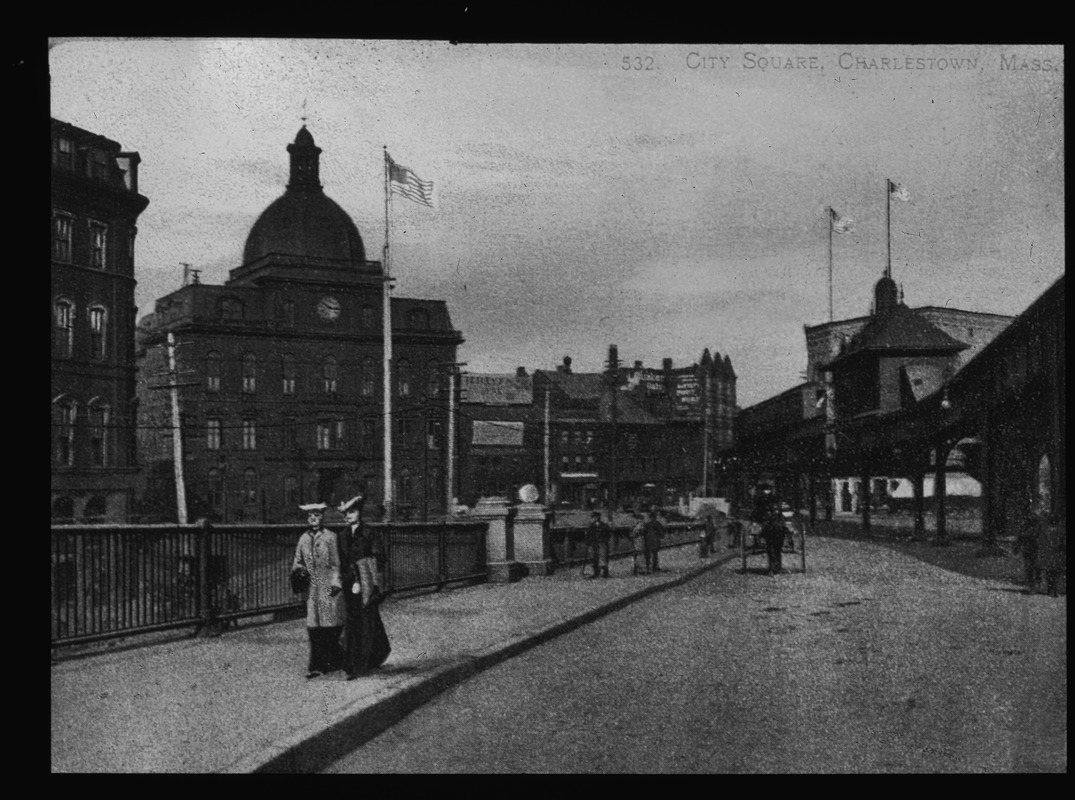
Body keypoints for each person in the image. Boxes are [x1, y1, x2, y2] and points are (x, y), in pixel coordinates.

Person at [337, 495, 392, 679]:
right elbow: (341, 561)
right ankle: (368, 657)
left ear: (359, 513)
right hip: (349, 585)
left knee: (367, 622)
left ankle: (359, 665)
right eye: (346, 513)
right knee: (354, 621)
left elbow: (379, 557)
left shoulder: (369, 533)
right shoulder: (342, 536)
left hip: (367, 583)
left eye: (351, 512)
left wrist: (372, 580)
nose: (348, 516)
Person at [292, 503, 346, 679]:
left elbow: (337, 563)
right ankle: (316, 665)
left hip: (327, 583)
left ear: (322, 517)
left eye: (316, 515)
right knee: (314, 626)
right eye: (310, 516)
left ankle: (333, 661)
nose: (313, 519)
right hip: (311, 586)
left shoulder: (330, 537)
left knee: (329, 625)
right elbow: (297, 561)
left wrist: (336, 583)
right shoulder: (303, 539)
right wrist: (299, 572)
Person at [752, 483, 787, 576]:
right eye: (765, 490)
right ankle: (772, 567)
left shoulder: (774, 498)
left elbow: (779, 508)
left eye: (768, 490)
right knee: (771, 548)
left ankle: (777, 566)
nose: (767, 492)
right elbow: (757, 510)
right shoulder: (760, 498)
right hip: (765, 518)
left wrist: (777, 511)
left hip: (775, 518)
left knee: (777, 548)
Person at [586, 511, 612, 579]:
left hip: (602, 543)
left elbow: (608, 535)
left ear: (598, 517)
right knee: (595, 558)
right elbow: (589, 535)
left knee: (603, 557)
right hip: (594, 543)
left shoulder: (604, 525)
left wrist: (604, 541)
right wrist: (588, 543)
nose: (594, 518)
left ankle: (605, 572)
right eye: (593, 517)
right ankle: (596, 573)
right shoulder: (591, 526)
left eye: (595, 517)